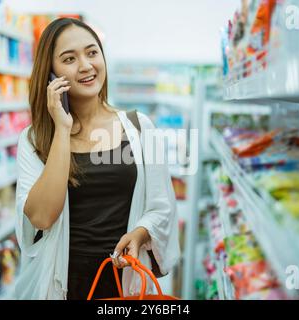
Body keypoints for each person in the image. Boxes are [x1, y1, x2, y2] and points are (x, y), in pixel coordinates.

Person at [14, 18, 180, 300]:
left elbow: (161, 206)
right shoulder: (35, 139)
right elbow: (42, 217)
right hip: (61, 284)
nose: (86, 65)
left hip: (123, 279)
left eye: (92, 52)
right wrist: (62, 130)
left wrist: (140, 233)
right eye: (69, 58)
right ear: (51, 74)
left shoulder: (140, 128)